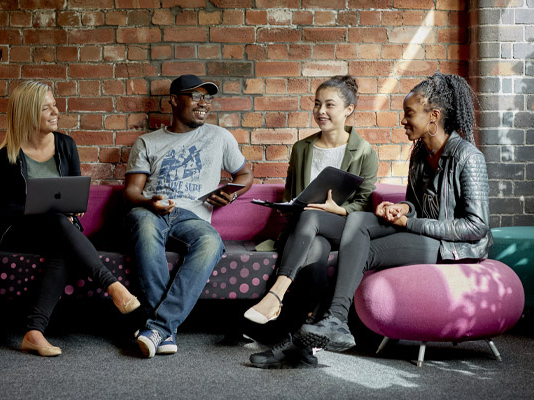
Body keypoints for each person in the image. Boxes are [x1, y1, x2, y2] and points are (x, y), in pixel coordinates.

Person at [295, 72, 492, 355]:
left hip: (452, 248)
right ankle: (335, 321)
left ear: (433, 116)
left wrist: (410, 222)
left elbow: (476, 227)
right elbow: (415, 203)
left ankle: (332, 318)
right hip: (424, 232)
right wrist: (402, 208)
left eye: (409, 113)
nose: (402, 120)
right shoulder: (420, 154)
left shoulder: (468, 158)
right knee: (359, 220)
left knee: (365, 249)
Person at [0, 81, 140, 357]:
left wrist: (72, 207)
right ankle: (112, 285)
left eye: (54, 105)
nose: (55, 111)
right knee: (57, 220)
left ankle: (34, 331)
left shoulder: (65, 144)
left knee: (62, 241)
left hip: (59, 230)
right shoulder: (8, 156)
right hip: (21, 232)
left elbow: (73, 194)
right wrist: (45, 207)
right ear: (27, 113)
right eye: (46, 108)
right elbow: (8, 209)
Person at [246, 75, 378, 368]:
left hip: (344, 228)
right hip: (308, 230)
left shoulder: (365, 151)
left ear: (349, 110)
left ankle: (275, 296)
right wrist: (285, 208)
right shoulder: (302, 147)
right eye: (317, 104)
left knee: (313, 219)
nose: (321, 111)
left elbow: (364, 203)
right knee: (315, 251)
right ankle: (301, 345)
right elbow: (294, 195)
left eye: (330, 105)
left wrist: (337, 209)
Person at [124, 74, 253, 358]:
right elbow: (132, 191)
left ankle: (157, 328)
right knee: (144, 227)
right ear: (173, 100)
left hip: (193, 217)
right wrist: (150, 202)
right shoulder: (147, 142)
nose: (203, 103)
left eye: (207, 97)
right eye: (195, 96)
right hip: (152, 212)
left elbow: (245, 175)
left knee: (211, 242)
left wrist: (231, 194)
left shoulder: (220, 137)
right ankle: (164, 330)